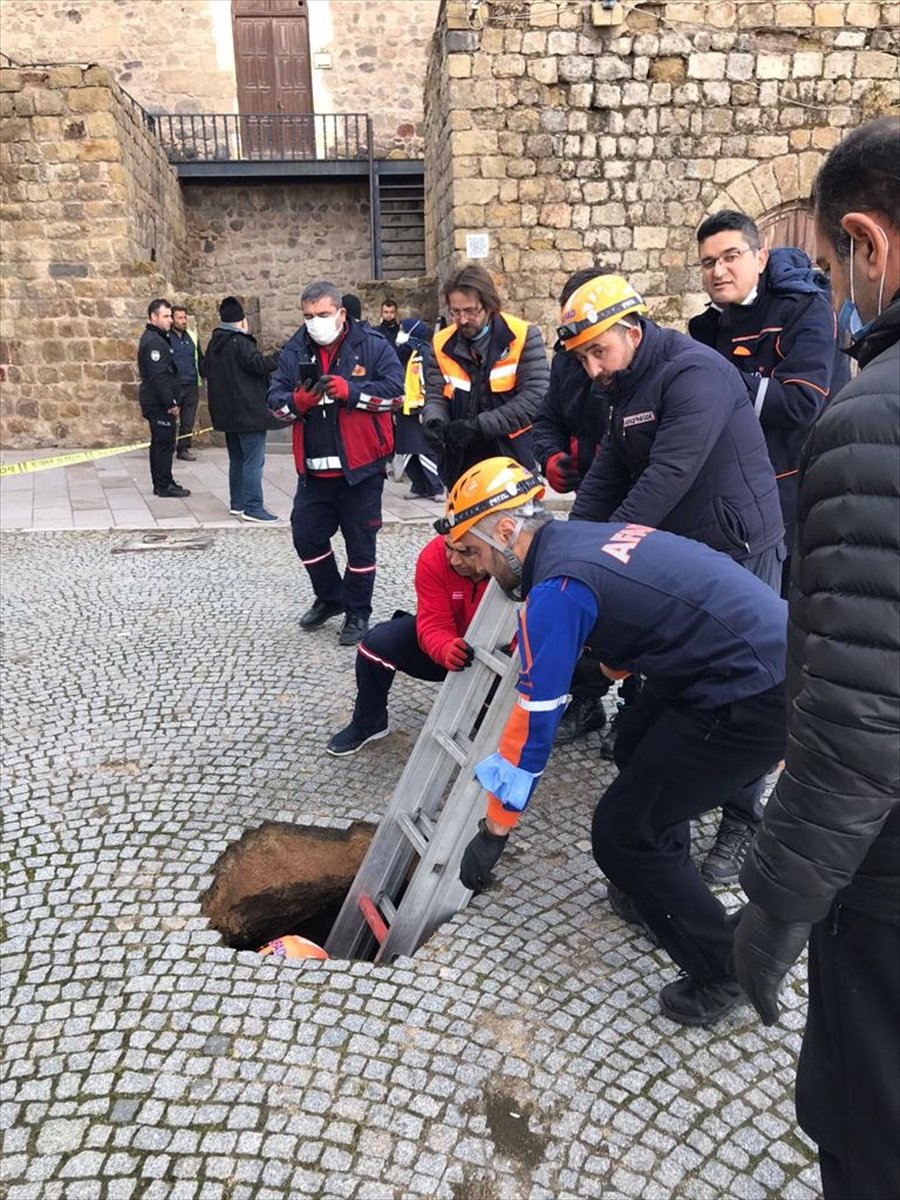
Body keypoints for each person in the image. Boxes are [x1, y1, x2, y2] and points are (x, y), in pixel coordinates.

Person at [439, 458, 787, 1026]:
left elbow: (532, 728)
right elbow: (645, 609)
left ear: (505, 531)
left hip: (754, 690)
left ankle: (725, 969)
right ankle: (656, 891)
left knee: (622, 832)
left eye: (472, 553)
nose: (473, 570)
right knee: (633, 745)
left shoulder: (556, 590)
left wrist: (494, 830)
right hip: (735, 658)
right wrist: (600, 673)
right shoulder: (579, 537)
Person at [734, 116, 900, 1200]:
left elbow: (857, 725)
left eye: (847, 267)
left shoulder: (871, 416)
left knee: (869, 1134)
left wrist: (770, 916)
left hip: (888, 891)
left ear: (866, 243)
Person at [565, 274, 785, 883]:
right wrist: (567, 548)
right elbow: (607, 473)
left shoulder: (697, 373)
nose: (590, 369)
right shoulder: (623, 385)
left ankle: (744, 820)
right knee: (675, 680)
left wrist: (602, 555)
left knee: (748, 683)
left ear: (631, 331)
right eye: (582, 356)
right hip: (684, 554)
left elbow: (668, 476)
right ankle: (670, 818)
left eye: (597, 351)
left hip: (738, 547)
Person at [689, 209, 850, 595]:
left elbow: (801, 401)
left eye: (731, 256)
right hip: (733, 497)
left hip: (799, 491)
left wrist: (720, 382)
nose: (719, 271)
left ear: (760, 258)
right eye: (708, 262)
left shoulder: (805, 308)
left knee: (785, 609)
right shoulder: (706, 327)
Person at [267, 281, 404, 647]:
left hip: (361, 470)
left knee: (360, 545)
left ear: (341, 314)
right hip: (314, 472)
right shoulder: (294, 350)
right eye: (308, 316)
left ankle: (358, 611)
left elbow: (399, 395)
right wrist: (297, 402)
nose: (315, 322)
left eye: (323, 315)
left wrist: (354, 393)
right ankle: (331, 597)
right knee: (306, 536)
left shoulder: (372, 346)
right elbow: (274, 404)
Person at [533, 266, 629, 747]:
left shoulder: (629, 358)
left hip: (632, 498)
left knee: (632, 604)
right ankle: (587, 699)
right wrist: (550, 456)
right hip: (588, 489)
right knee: (584, 599)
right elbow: (547, 416)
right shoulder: (565, 361)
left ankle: (632, 712)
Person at [326, 533, 489, 755]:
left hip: (501, 656)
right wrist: (444, 647)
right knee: (376, 643)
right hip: (450, 646)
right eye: (450, 547)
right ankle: (369, 721)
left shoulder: (519, 563)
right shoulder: (434, 556)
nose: (454, 560)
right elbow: (433, 621)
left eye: (466, 551)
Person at [422, 263, 549, 487]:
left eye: (470, 311)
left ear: (489, 306)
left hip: (513, 460)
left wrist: (477, 427)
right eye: (455, 312)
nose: (462, 320)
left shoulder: (522, 336)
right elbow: (435, 395)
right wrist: (435, 422)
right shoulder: (441, 343)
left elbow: (534, 399)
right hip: (461, 463)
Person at [204, 296, 281, 523]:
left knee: (237, 459)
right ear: (241, 320)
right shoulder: (240, 342)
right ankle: (253, 506)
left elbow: (206, 370)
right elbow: (257, 365)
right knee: (253, 460)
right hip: (248, 412)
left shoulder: (214, 344)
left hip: (227, 414)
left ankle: (237, 503)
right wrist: (280, 356)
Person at [137, 298, 190, 499]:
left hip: (160, 401)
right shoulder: (154, 342)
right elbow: (158, 376)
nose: (170, 320)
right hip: (159, 403)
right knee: (163, 443)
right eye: (166, 316)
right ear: (153, 317)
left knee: (163, 442)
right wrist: (171, 403)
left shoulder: (159, 338)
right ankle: (163, 484)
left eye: (170, 316)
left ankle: (164, 480)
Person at [394, 317, 442, 502]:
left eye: (402, 329)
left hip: (419, 408)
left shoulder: (424, 352)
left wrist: (427, 407)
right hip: (405, 407)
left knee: (424, 449)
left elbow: (428, 382)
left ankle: (435, 487)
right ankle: (418, 485)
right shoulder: (406, 352)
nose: (400, 332)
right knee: (407, 449)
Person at [169, 304, 204, 462]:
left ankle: (183, 448)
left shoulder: (192, 336)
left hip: (191, 383)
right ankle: (167, 447)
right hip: (173, 386)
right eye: (180, 318)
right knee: (169, 419)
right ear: (172, 319)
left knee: (188, 421)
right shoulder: (166, 337)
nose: (183, 321)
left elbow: (200, 358)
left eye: (185, 318)